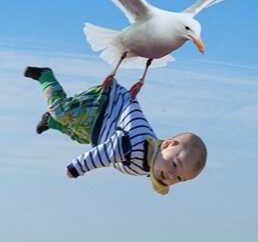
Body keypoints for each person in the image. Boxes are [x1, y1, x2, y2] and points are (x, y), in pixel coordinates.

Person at [24, 66, 207, 195]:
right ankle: (46, 77)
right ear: (167, 144)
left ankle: (51, 123)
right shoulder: (134, 145)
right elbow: (105, 153)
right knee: (60, 111)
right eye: (175, 166)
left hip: (102, 130)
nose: (172, 176)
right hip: (104, 108)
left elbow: (135, 115)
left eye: (179, 179)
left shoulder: (154, 158)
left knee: (79, 136)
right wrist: (77, 168)